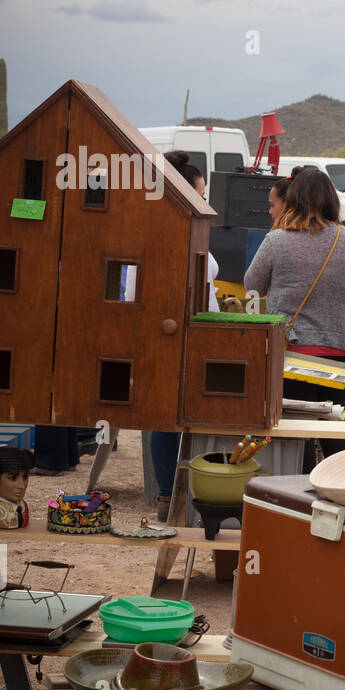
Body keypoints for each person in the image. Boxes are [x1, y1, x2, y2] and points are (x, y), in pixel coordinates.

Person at [245, 167, 345, 470]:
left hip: (294, 353)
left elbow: (252, 285)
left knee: (296, 432)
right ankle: (343, 485)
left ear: (293, 200)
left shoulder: (277, 241)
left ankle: (298, 499)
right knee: (331, 429)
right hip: (341, 352)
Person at [149, 150, 220, 518]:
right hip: (178, 335)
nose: (203, 200)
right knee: (168, 416)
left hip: (197, 333)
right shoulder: (167, 228)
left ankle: (180, 492)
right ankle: (167, 494)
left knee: (179, 415)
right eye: (199, 193)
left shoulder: (188, 225)